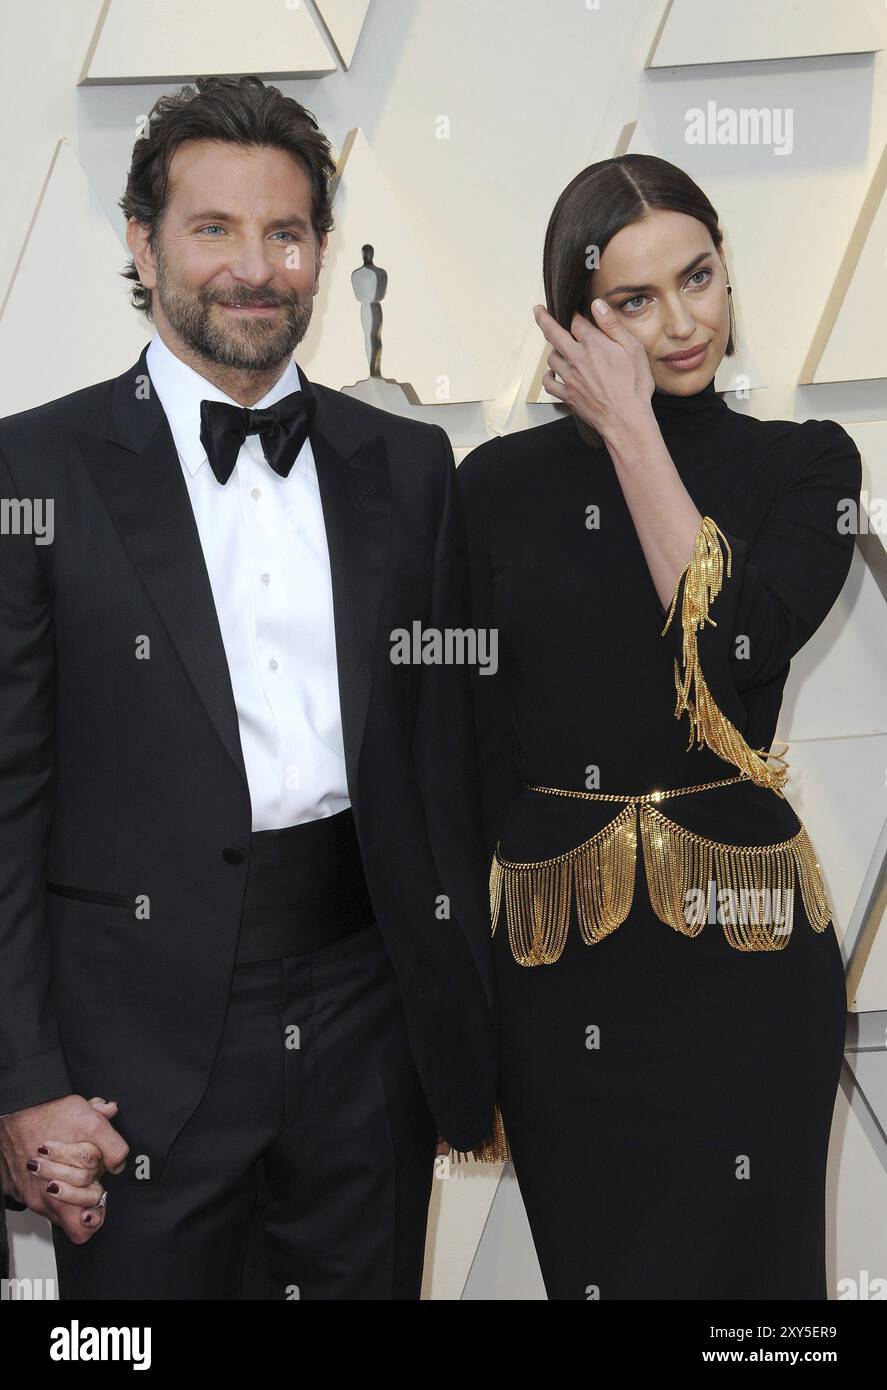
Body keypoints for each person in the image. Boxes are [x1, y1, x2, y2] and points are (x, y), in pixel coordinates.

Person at [0, 74, 497, 1300]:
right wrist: (22, 1075)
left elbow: (445, 772)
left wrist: (455, 1035)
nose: (254, 268)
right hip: (131, 1045)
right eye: (212, 228)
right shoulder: (34, 466)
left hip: (365, 1019)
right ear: (142, 242)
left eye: (285, 233)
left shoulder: (410, 464)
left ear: (320, 250)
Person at [454, 153, 860, 1300]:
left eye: (697, 277)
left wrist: (632, 434)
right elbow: (468, 756)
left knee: (757, 1291)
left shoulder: (806, 462)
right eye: (634, 301)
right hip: (556, 974)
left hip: (745, 963)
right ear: (573, 317)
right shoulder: (490, 486)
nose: (682, 323)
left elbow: (731, 658)